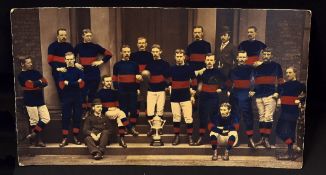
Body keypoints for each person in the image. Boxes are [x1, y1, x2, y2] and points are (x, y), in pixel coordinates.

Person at [249, 48, 284, 149]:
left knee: (268, 117)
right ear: (262, 55)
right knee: (261, 117)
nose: (266, 56)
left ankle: (267, 139)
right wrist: (253, 90)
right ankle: (262, 139)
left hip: (270, 94)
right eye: (264, 54)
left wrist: (278, 93)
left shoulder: (276, 66)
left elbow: (281, 81)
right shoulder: (257, 67)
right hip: (259, 95)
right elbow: (253, 81)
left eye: (268, 54)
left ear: (271, 55)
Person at [74, 29, 113, 117]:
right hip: (82, 73)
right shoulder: (78, 46)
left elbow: (109, 54)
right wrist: (75, 63)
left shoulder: (95, 46)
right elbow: (70, 57)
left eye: (90, 36)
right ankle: (84, 111)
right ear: (83, 36)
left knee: (92, 93)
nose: (89, 38)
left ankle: (91, 111)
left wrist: (100, 62)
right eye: (87, 36)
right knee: (82, 93)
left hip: (94, 73)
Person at [195, 53, 228, 146]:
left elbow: (227, 81)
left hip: (214, 97)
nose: (209, 62)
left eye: (211, 60)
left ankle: (214, 137)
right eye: (208, 60)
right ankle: (201, 137)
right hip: (203, 97)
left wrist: (221, 88)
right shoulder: (202, 72)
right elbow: (197, 83)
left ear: (214, 61)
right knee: (202, 117)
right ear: (205, 61)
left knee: (214, 118)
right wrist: (198, 88)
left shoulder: (218, 72)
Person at [167, 49, 197, 146]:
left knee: (188, 117)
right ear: (175, 57)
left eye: (181, 56)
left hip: (186, 96)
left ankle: (190, 137)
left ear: (184, 57)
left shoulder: (189, 68)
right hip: (175, 97)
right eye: (177, 56)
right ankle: (176, 136)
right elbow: (169, 81)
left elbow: (194, 80)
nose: (179, 58)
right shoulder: (171, 68)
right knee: (176, 117)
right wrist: (170, 87)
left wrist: (193, 93)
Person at [18, 56, 50, 147]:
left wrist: (34, 83)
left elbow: (45, 82)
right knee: (34, 121)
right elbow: (29, 85)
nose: (31, 64)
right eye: (28, 63)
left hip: (40, 99)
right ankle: (38, 141)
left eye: (31, 62)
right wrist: (38, 82)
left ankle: (33, 134)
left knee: (46, 118)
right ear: (22, 64)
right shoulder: (21, 76)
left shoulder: (36, 72)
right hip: (29, 100)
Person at [276, 67, 306, 160]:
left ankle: (289, 153)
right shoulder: (284, 84)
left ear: (295, 73)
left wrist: (300, 100)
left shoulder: (300, 85)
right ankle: (291, 148)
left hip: (293, 111)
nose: (288, 74)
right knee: (278, 130)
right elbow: (277, 91)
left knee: (290, 131)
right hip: (284, 111)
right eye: (287, 73)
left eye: (290, 72)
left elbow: (305, 94)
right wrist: (279, 99)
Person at [96, 75, 134, 148]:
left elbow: (118, 104)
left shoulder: (114, 92)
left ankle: (121, 139)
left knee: (120, 117)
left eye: (110, 81)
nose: (109, 83)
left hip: (115, 111)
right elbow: (97, 107)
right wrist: (108, 109)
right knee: (121, 113)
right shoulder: (99, 93)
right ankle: (129, 128)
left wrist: (115, 108)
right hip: (105, 112)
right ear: (103, 82)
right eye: (107, 81)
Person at [112, 45, 142, 136]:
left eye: (128, 52)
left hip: (133, 90)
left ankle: (132, 126)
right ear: (121, 53)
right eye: (124, 52)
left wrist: (137, 88)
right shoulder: (117, 65)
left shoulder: (134, 64)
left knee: (133, 109)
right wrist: (117, 88)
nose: (126, 53)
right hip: (122, 90)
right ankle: (125, 127)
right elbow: (114, 78)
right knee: (123, 110)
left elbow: (137, 77)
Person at [228, 50, 256, 149]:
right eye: (240, 57)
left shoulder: (251, 69)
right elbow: (229, 82)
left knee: (248, 117)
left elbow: (254, 80)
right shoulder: (233, 69)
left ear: (246, 58)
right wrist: (228, 90)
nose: (242, 59)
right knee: (235, 116)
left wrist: (253, 90)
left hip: (246, 95)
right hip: (235, 95)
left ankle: (250, 139)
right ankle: (235, 138)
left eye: (244, 57)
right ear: (237, 58)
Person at [58, 52, 85, 147]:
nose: (69, 61)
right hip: (66, 97)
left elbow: (82, 85)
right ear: (65, 60)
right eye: (67, 59)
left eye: (71, 59)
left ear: (74, 60)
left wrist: (68, 83)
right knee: (65, 117)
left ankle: (75, 137)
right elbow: (61, 86)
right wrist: (75, 83)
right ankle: (64, 138)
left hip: (78, 97)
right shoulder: (62, 71)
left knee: (77, 117)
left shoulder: (79, 71)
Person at [143, 44, 170, 136]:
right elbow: (146, 77)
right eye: (153, 52)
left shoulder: (165, 64)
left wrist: (167, 86)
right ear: (151, 52)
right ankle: (151, 128)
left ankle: (160, 128)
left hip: (161, 90)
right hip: (151, 90)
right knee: (150, 111)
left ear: (160, 52)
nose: (155, 53)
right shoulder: (149, 64)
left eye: (156, 51)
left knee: (160, 110)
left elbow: (168, 77)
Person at [130, 37, 154, 119]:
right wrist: (136, 75)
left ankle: (150, 121)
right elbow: (131, 68)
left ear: (146, 44)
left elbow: (151, 68)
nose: (141, 45)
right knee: (137, 101)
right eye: (140, 43)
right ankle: (134, 123)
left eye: (143, 43)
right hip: (136, 80)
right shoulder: (132, 55)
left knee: (145, 74)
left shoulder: (150, 55)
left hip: (147, 81)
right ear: (137, 44)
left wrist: (143, 75)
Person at [47, 28, 74, 101]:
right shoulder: (52, 46)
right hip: (58, 72)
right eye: (61, 35)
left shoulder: (69, 46)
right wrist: (58, 69)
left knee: (70, 90)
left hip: (69, 71)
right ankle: (64, 110)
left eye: (65, 35)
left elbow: (72, 59)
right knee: (61, 91)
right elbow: (50, 61)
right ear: (57, 36)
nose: (64, 37)